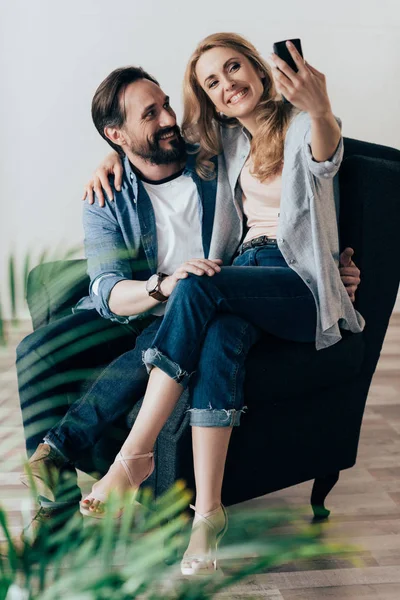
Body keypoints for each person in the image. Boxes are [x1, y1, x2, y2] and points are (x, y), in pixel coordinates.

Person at [20, 37, 361, 574]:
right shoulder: (224, 143)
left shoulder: (293, 127)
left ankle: (130, 458)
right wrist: (114, 156)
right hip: (244, 276)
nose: (228, 84)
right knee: (218, 330)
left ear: (258, 69)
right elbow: (110, 281)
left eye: (235, 68)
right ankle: (207, 516)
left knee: (197, 288)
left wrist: (319, 109)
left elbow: (325, 157)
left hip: (293, 281)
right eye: (212, 83)